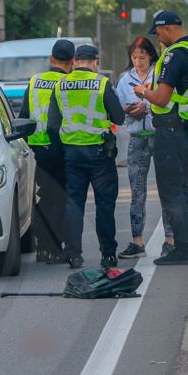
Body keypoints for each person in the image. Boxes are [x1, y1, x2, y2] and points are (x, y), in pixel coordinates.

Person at [133, 10, 188, 265]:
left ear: (166, 29)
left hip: (173, 128)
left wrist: (143, 92)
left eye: (159, 33)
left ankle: (185, 249)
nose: (159, 39)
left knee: (171, 190)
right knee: (182, 187)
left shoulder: (174, 55)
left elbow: (162, 97)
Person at [49, 44, 125, 269]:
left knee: (74, 204)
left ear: (75, 61)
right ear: (95, 62)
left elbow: (53, 124)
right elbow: (119, 118)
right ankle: (108, 255)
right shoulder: (102, 84)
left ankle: (73, 254)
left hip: (72, 153)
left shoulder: (60, 85)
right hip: (100, 154)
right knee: (104, 205)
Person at [115, 36, 173, 258]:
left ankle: (170, 239)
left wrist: (147, 106)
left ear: (150, 55)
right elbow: (117, 110)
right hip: (137, 139)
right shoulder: (124, 79)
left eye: (142, 56)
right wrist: (130, 110)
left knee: (166, 189)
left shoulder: (161, 74)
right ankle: (137, 241)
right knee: (137, 192)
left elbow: (167, 100)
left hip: (160, 136)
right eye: (134, 57)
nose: (138, 61)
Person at [18, 39, 73, 262]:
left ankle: (43, 244)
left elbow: (23, 114)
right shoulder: (69, 83)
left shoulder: (35, 81)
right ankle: (52, 245)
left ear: (51, 59)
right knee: (59, 197)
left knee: (45, 195)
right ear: (72, 61)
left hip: (38, 149)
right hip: (63, 147)